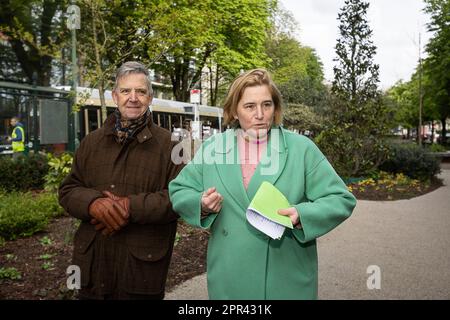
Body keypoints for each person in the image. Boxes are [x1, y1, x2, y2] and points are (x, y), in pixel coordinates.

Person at [168, 68, 357, 299]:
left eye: (267, 105)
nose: (260, 114)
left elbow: (341, 199)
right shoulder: (213, 148)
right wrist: (201, 204)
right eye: (249, 106)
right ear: (234, 111)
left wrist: (302, 215)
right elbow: (179, 189)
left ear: (275, 108)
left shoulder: (301, 148)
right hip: (230, 277)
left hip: (285, 277)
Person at [59, 61, 183, 300]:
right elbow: (68, 190)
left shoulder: (172, 145)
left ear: (150, 97)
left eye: (141, 91)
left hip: (140, 272)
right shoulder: (90, 142)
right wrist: (93, 203)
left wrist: (129, 207)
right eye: (126, 91)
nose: (133, 98)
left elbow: (179, 197)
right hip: (92, 268)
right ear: (115, 96)